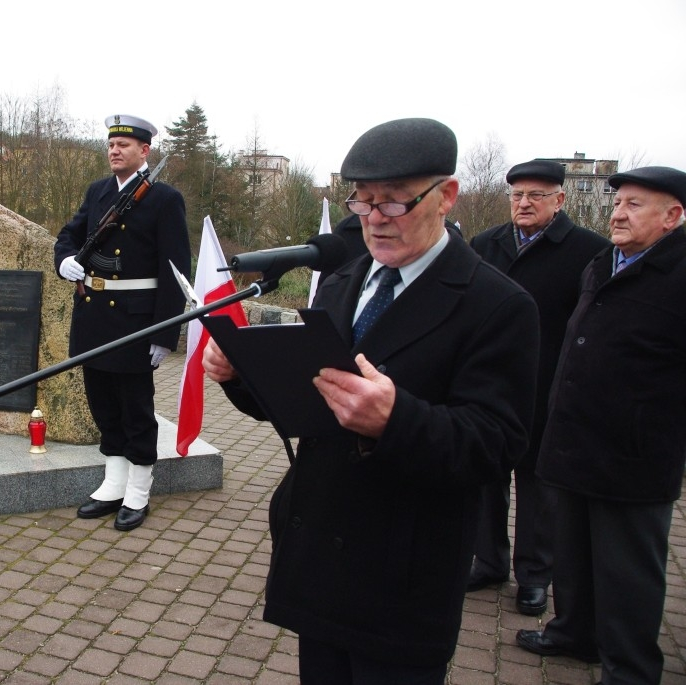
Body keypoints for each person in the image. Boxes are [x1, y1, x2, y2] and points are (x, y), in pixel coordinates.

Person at [203, 118, 539, 683]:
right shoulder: (345, 279)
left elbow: (496, 444)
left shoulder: (498, 305)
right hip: (319, 553)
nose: (375, 219)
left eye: (394, 203)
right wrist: (242, 377)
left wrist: (396, 420)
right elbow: (308, 404)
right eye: (362, 202)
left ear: (446, 197)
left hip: (402, 572)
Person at [517, 166, 686, 685]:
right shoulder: (601, 263)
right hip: (573, 441)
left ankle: (631, 669)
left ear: (672, 216)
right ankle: (573, 634)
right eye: (618, 204)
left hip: (633, 454)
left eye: (635, 205)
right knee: (572, 555)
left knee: (627, 574)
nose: (617, 213)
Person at [467, 160, 610, 616]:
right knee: (486, 479)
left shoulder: (590, 251)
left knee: (538, 490)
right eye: (517, 196)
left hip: (547, 388)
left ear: (560, 200)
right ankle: (488, 560)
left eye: (535, 196)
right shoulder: (485, 244)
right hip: (487, 385)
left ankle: (534, 576)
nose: (524, 204)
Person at [53, 114, 191, 532]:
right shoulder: (98, 192)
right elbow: (68, 235)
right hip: (94, 317)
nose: (114, 150)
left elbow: (175, 268)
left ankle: (139, 490)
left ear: (144, 151)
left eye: (124, 145)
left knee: (136, 409)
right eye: (111, 144)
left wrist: (164, 333)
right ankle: (113, 482)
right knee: (103, 404)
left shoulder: (164, 199)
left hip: (136, 323)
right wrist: (66, 263)